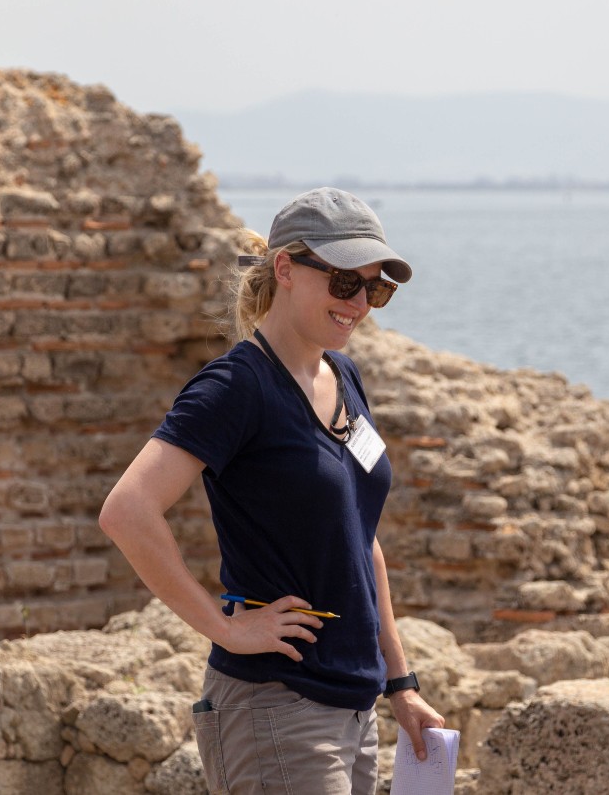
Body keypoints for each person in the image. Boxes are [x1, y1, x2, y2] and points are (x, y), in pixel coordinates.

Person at [99, 187, 444, 793]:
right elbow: (127, 511)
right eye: (344, 283)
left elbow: (359, 539)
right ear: (285, 269)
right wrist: (227, 628)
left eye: (375, 288)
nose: (360, 303)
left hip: (354, 708)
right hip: (277, 707)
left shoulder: (342, 375)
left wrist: (401, 683)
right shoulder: (237, 386)